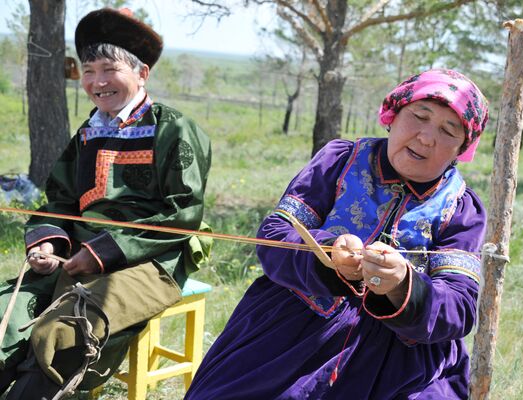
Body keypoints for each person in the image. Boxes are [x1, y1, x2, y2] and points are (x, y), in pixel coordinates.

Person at [184, 68, 489, 400]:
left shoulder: (461, 208)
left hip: (399, 359)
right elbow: (275, 234)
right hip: (292, 328)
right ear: (394, 113)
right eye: (420, 116)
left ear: (461, 148)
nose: (427, 137)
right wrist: (326, 251)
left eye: (448, 130)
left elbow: (459, 307)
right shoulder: (341, 160)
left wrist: (404, 284)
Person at [0, 7, 211, 399]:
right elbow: (59, 200)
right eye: (89, 70)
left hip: (148, 261)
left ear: (142, 73)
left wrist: (101, 253)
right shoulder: (88, 131)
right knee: (5, 318)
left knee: (62, 334)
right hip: (77, 252)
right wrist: (50, 242)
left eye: (109, 69)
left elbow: (182, 212)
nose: (97, 82)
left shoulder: (174, 129)